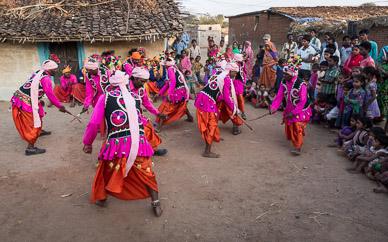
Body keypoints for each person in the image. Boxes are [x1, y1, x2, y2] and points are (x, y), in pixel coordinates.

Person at [83, 70, 163, 216]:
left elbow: (94, 123)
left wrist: (87, 143)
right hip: (139, 141)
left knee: (107, 169)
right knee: (147, 172)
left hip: (117, 143)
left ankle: (102, 199)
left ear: (112, 85)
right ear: (127, 83)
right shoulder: (136, 97)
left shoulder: (105, 97)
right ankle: (156, 204)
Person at [10, 60, 68, 155]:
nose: (56, 71)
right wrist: (60, 106)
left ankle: (39, 131)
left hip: (23, 96)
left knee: (38, 114)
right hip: (25, 100)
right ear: (49, 70)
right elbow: (50, 95)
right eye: (54, 69)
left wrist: (39, 100)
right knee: (32, 122)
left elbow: (34, 87)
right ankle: (30, 148)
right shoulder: (46, 79)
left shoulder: (39, 72)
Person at [194, 63, 239, 158]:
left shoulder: (218, 73)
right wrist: (234, 109)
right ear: (230, 71)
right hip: (207, 100)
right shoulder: (226, 78)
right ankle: (207, 151)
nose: (235, 75)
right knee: (212, 124)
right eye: (234, 73)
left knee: (211, 122)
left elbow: (216, 89)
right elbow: (226, 97)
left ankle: (212, 138)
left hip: (203, 97)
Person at [270, 56, 312, 155]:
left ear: (293, 74)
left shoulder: (301, 85)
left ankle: (297, 146)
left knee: (298, 126)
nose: (284, 76)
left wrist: (293, 113)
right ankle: (293, 139)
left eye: (286, 74)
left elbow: (302, 101)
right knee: (290, 125)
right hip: (290, 106)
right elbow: (279, 95)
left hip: (300, 109)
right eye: (284, 73)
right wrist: (273, 107)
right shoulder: (284, 81)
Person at [129, 67, 168, 156]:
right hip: (123, 116)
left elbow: (147, 103)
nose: (144, 84)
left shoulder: (141, 88)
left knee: (148, 129)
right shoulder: (124, 86)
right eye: (142, 81)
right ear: (135, 78)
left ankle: (151, 149)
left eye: (145, 81)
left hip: (136, 115)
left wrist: (158, 113)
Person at [154, 58, 192, 132]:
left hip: (177, 91)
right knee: (180, 104)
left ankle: (159, 127)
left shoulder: (170, 69)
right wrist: (159, 93)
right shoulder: (174, 69)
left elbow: (173, 81)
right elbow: (169, 83)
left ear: (166, 64)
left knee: (166, 108)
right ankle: (190, 117)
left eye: (164, 64)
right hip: (182, 90)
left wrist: (170, 93)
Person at [233, 53, 247, 120]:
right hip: (233, 82)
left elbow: (244, 72)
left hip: (239, 82)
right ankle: (235, 112)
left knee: (240, 98)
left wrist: (244, 81)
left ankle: (243, 112)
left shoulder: (243, 63)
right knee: (233, 98)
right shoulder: (232, 64)